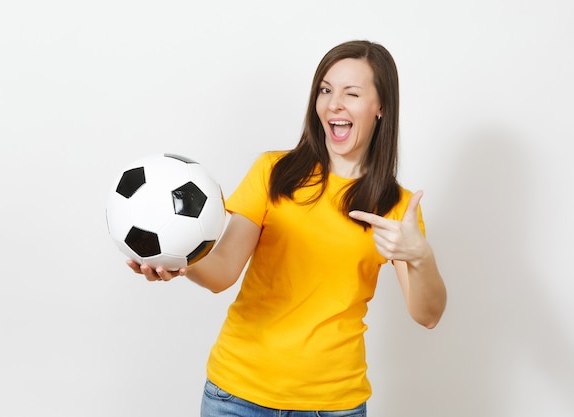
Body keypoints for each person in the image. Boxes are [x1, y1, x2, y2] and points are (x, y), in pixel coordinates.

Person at [128, 39, 447, 416]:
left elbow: (428, 315)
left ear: (381, 107)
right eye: (325, 90)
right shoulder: (274, 172)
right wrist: (180, 261)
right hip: (236, 395)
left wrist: (421, 256)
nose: (334, 104)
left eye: (352, 93)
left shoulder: (396, 207)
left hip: (333, 404)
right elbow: (224, 270)